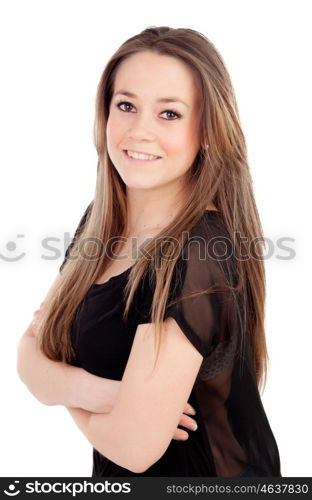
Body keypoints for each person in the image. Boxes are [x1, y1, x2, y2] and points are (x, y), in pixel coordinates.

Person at [17, 26, 281, 477]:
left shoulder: (199, 251)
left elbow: (134, 446)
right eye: (126, 105)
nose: (140, 131)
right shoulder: (101, 222)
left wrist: (60, 387)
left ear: (209, 131)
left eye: (170, 114)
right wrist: (101, 393)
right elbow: (28, 358)